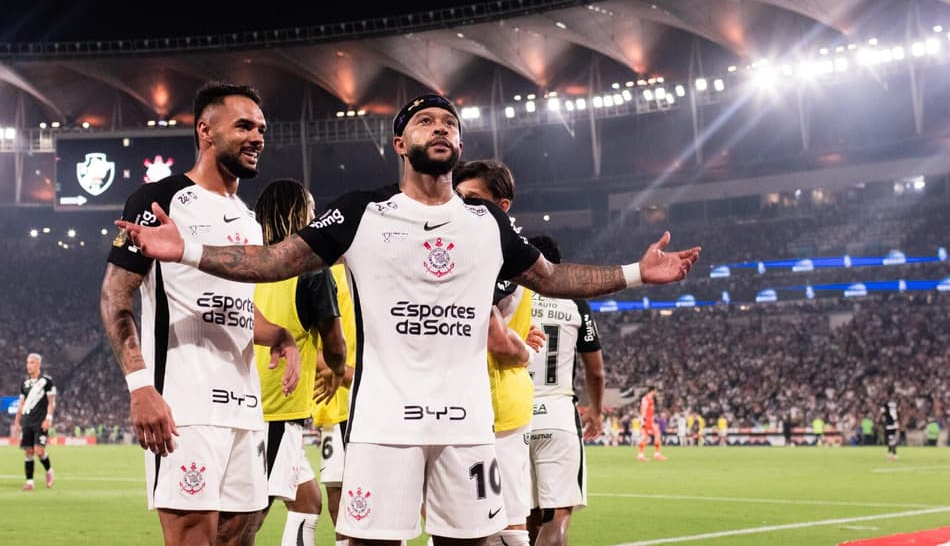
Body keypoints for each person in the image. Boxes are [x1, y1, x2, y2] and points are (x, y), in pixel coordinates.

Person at [113, 93, 701, 546]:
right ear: (399, 143)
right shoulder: (359, 212)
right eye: (425, 121)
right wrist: (184, 250)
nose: (440, 128)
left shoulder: (485, 222)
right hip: (382, 427)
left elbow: (550, 277)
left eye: (450, 123)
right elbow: (274, 261)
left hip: (468, 426)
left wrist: (635, 273)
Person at [100, 82, 302, 546]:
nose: (258, 137)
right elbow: (115, 297)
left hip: (247, 408)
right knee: (193, 538)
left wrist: (282, 336)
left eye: (262, 129)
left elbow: (236, 310)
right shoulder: (161, 200)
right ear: (205, 131)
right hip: (184, 407)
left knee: (239, 537)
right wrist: (141, 388)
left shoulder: (249, 219)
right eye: (244, 126)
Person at [252, 178, 347, 546]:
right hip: (277, 406)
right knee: (250, 514)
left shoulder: (253, 262)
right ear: (299, 212)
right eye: (310, 207)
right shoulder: (310, 270)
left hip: (255, 398)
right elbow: (335, 343)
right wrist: (338, 370)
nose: (314, 214)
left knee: (307, 502)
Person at [454, 159, 540, 546]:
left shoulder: (502, 256)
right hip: (492, 400)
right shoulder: (516, 253)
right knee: (488, 520)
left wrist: (523, 353)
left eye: (472, 198)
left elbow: (494, 335)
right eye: (458, 197)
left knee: (499, 523)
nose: (461, 205)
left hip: (494, 402)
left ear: (502, 206)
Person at [523, 234, 606, 546]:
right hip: (557, 414)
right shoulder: (575, 303)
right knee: (558, 514)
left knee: (524, 516)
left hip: (514, 415)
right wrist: (596, 412)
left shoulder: (511, 297)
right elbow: (595, 372)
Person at [311, 261, 357, 546]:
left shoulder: (324, 278)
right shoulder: (327, 278)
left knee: (345, 502)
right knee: (340, 500)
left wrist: (347, 373)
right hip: (334, 406)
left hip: (354, 405)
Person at [12, 353, 56, 491]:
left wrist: (49, 418)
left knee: (39, 450)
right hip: (27, 420)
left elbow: (51, 402)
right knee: (28, 451)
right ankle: (30, 482)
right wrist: (17, 422)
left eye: (31, 362)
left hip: (40, 421)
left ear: (38, 364)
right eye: (27, 362)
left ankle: (49, 470)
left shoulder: (46, 381)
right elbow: (21, 404)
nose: (28, 365)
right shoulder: (24, 383)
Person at [637, 387, 665, 461]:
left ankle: (656, 454)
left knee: (656, 434)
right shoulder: (646, 399)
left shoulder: (651, 399)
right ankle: (641, 456)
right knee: (645, 437)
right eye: (655, 391)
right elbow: (643, 410)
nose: (656, 393)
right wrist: (642, 420)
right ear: (652, 391)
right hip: (647, 420)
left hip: (650, 420)